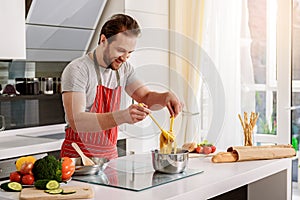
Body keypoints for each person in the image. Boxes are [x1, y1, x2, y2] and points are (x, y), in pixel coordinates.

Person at [60, 14, 182, 160]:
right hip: (78, 160)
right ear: (103, 40)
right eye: (120, 50)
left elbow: (145, 97)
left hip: (110, 157)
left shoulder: (124, 69)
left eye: (129, 52)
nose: (124, 58)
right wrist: (122, 116)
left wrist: (165, 97)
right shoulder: (78, 70)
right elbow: (76, 121)